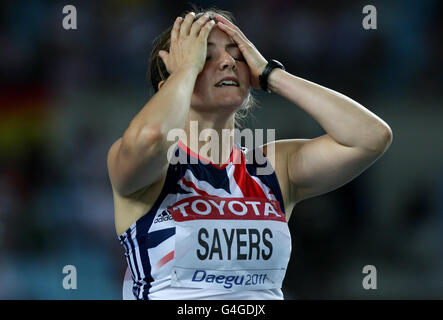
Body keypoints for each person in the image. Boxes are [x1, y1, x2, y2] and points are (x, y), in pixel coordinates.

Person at [107, 7, 393, 300]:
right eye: (205, 55)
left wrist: (271, 74)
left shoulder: (273, 167)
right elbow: (152, 136)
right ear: (169, 83)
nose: (228, 61)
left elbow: (371, 137)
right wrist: (186, 71)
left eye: (237, 53)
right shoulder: (152, 166)